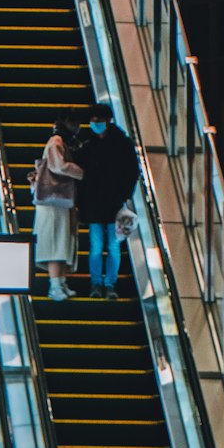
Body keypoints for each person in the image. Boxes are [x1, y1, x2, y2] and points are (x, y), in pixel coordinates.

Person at [76, 101, 140, 301]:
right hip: (94, 203)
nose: (95, 125)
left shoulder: (121, 143)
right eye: (93, 121)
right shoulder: (88, 143)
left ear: (108, 121)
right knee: (97, 245)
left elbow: (132, 171)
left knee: (112, 245)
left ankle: (109, 284)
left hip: (112, 203)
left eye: (99, 121)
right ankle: (97, 283)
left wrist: (124, 195)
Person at [32, 114, 83, 302]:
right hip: (53, 201)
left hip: (60, 201)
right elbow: (58, 167)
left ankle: (60, 283)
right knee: (55, 242)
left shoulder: (61, 142)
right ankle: (55, 286)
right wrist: (82, 172)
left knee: (61, 241)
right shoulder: (56, 142)